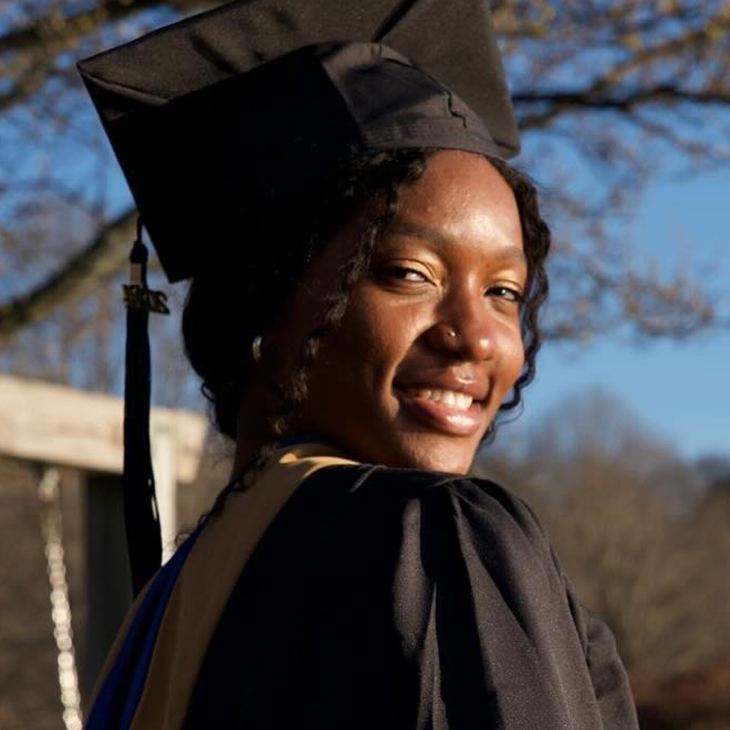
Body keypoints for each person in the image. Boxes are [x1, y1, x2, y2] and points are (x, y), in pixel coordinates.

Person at [78, 1, 639, 728]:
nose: (476, 336)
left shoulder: (170, 601)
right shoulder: (431, 540)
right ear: (266, 304)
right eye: (409, 272)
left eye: (505, 291)